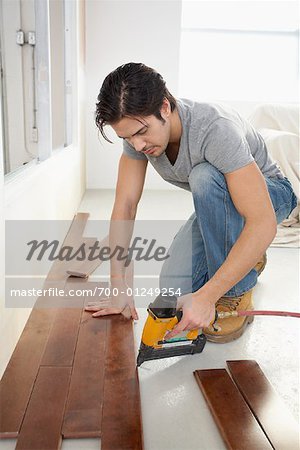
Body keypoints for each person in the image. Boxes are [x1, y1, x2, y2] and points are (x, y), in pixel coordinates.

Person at [85, 62, 297, 343]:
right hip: (223, 204)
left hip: (270, 196)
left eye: (141, 132)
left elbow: (263, 222)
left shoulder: (214, 129)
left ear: (164, 107)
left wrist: (209, 297)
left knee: (204, 176)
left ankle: (237, 294)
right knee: (173, 291)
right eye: (126, 137)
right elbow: (125, 206)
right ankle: (248, 256)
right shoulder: (137, 134)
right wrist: (118, 286)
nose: (137, 145)